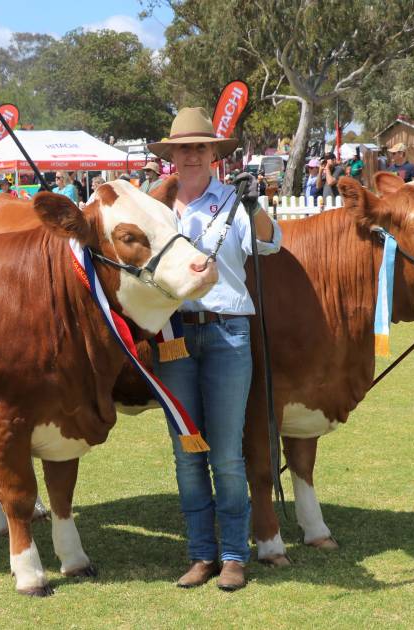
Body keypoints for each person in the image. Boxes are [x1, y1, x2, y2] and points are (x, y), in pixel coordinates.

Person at [147, 107, 281, 592]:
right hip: (173, 335)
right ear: (172, 156)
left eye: (200, 147)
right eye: (183, 148)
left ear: (213, 155)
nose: (191, 155)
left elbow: (269, 246)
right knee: (187, 452)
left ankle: (232, 556)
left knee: (225, 454)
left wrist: (254, 205)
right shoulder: (155, 209)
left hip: (226, 333)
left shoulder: (232, 201)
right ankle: (200, 554)